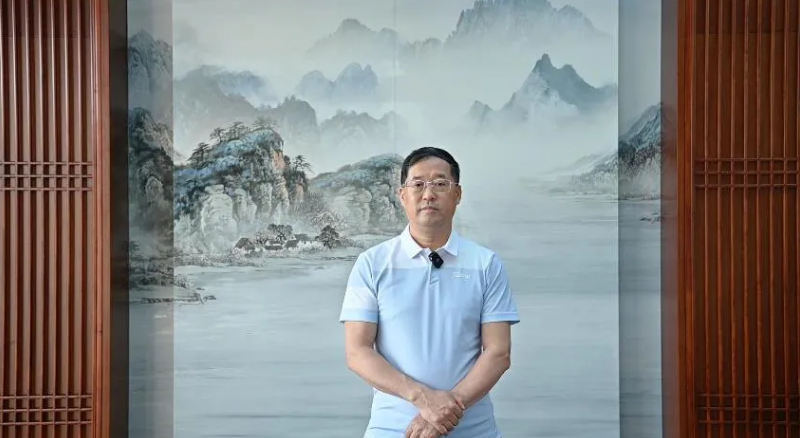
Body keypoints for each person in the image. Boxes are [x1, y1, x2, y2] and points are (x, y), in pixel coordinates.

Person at [339, 146, 520, 438]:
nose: (428, 194)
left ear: (457, 194)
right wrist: (423, 399)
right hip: (392, 430)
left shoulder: (485, 264)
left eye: (439, 183)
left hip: (474, 431)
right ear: (402, 195)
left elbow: (499, 353)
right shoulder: (372, 263)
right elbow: (357, 352)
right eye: (418, 184)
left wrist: (443, 413)